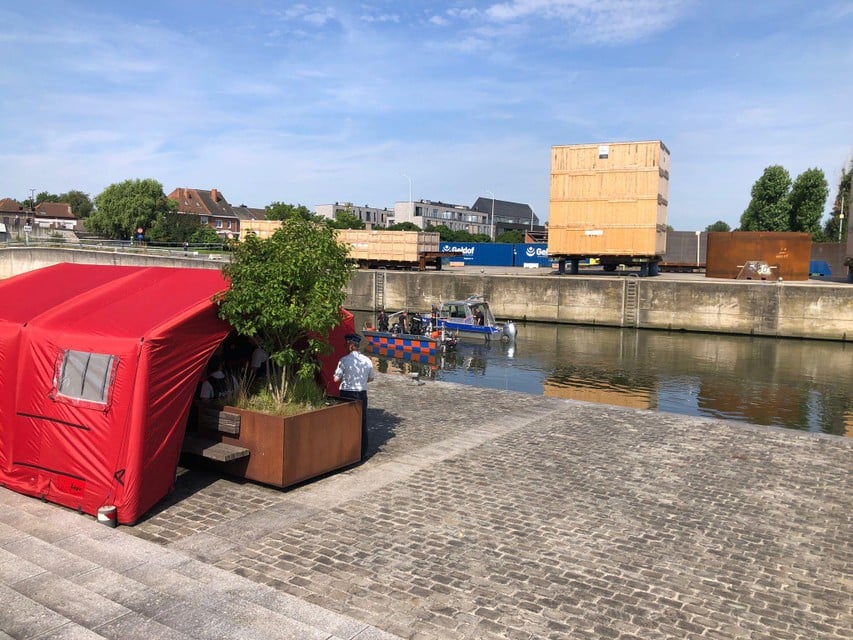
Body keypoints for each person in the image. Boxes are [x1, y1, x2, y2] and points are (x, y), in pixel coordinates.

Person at [333, 333, 375, 460]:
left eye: (347, 345)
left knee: (346, 422)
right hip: (361, 392)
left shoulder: (344, 360)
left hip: (347, 393)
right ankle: (362, 451)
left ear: (351, 346)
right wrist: (361, 381)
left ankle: (346, 450)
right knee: (362, 421)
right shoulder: (367, 360)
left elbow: (336, 379)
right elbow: (371, 378)